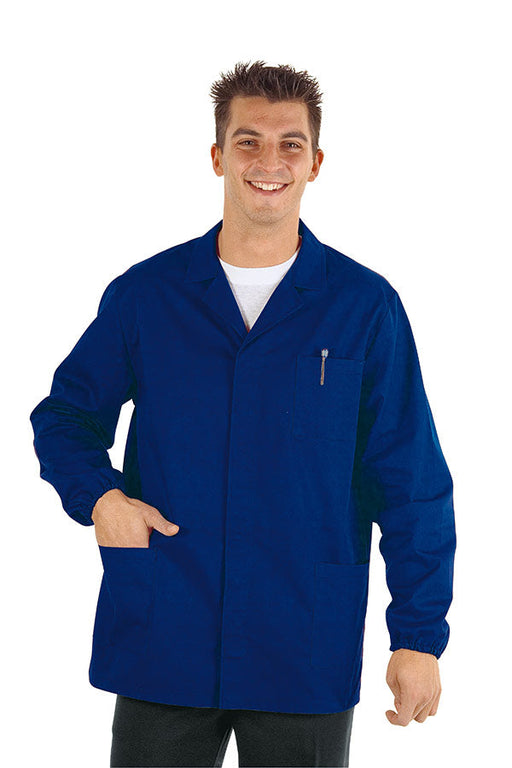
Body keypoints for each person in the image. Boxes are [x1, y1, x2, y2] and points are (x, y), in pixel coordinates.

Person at [29, 60, 456, 767]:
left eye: (291, 144)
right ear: (217, 155)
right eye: (248, 141)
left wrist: (418, 638)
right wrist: (101, 497)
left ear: (315, 163)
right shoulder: (147, 296)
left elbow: (411, 482)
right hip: (167, 630)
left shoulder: (364, 307)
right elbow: (66, 415)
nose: (269, 161)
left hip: (303, 639)